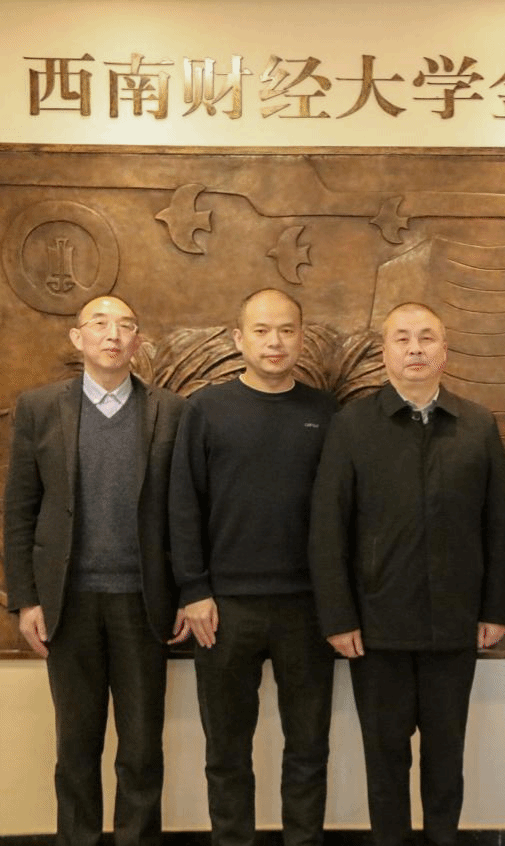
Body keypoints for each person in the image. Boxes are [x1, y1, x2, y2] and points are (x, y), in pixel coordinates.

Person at [309, 302, 505, 846]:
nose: (416, 348)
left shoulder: (477, 424)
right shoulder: (352, 426)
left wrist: (496, 608)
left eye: (427, 338)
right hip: (377, 630)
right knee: (385, 761)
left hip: (455, 626)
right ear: (385, 352)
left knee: (446, 759)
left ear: (445, 350)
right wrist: (338, 617)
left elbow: (500, 524)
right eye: (402, 338)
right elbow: (328, 529)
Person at [3, 295, 189, 846]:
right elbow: (20, 508)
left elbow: (186, 512)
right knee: (76, 746)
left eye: (126, 325)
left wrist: (187, 591)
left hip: (142, 600)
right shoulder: (39, 408)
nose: (113, 334)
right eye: (100, 324)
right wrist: (26, 599)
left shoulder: (170, 411)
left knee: (141, 748)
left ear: (137, 341)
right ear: (77, 338)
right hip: (69, 603)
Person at [169, 288, 339, 846]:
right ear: (238, 338)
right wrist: (194, 590)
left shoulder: (325, 413)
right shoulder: (205, 409)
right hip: (224, 609)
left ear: (301, 337)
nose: (275, 342)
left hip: (306, 609)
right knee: (226, 751)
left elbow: (342, 513)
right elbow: (183, 505)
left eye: (286, 330)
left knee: (309, 747)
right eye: (262, 330)